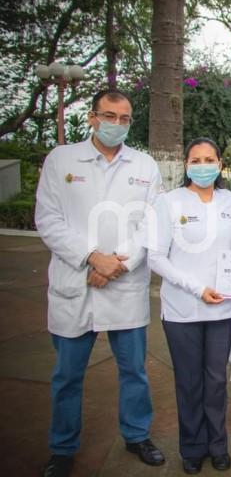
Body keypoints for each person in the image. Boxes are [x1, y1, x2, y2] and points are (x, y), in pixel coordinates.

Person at [35, 89, 165, 477]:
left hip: (123, 283)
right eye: (110, 117)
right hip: (76, 283)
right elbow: (49, 220)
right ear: (92, 117)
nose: (117, 125)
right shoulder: (62, 160)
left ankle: (137, 434)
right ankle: (62, 448)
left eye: (125, 119)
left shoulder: (144, 164)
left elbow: (150, 223)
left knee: (134, 371)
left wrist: (116, 265)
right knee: (67, 376)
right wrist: (93, 257)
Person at [147, 137, 231, 474]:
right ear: (186, 164)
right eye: (196, 159)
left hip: (224, 309)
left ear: (220, 164)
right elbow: (155, 258)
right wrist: (197, 288)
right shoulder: (168, 203)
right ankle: (192, 447)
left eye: (210, 159)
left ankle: (217, 445)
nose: (203, 165)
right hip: (182, 309)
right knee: (189, 382)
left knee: (217, 380)